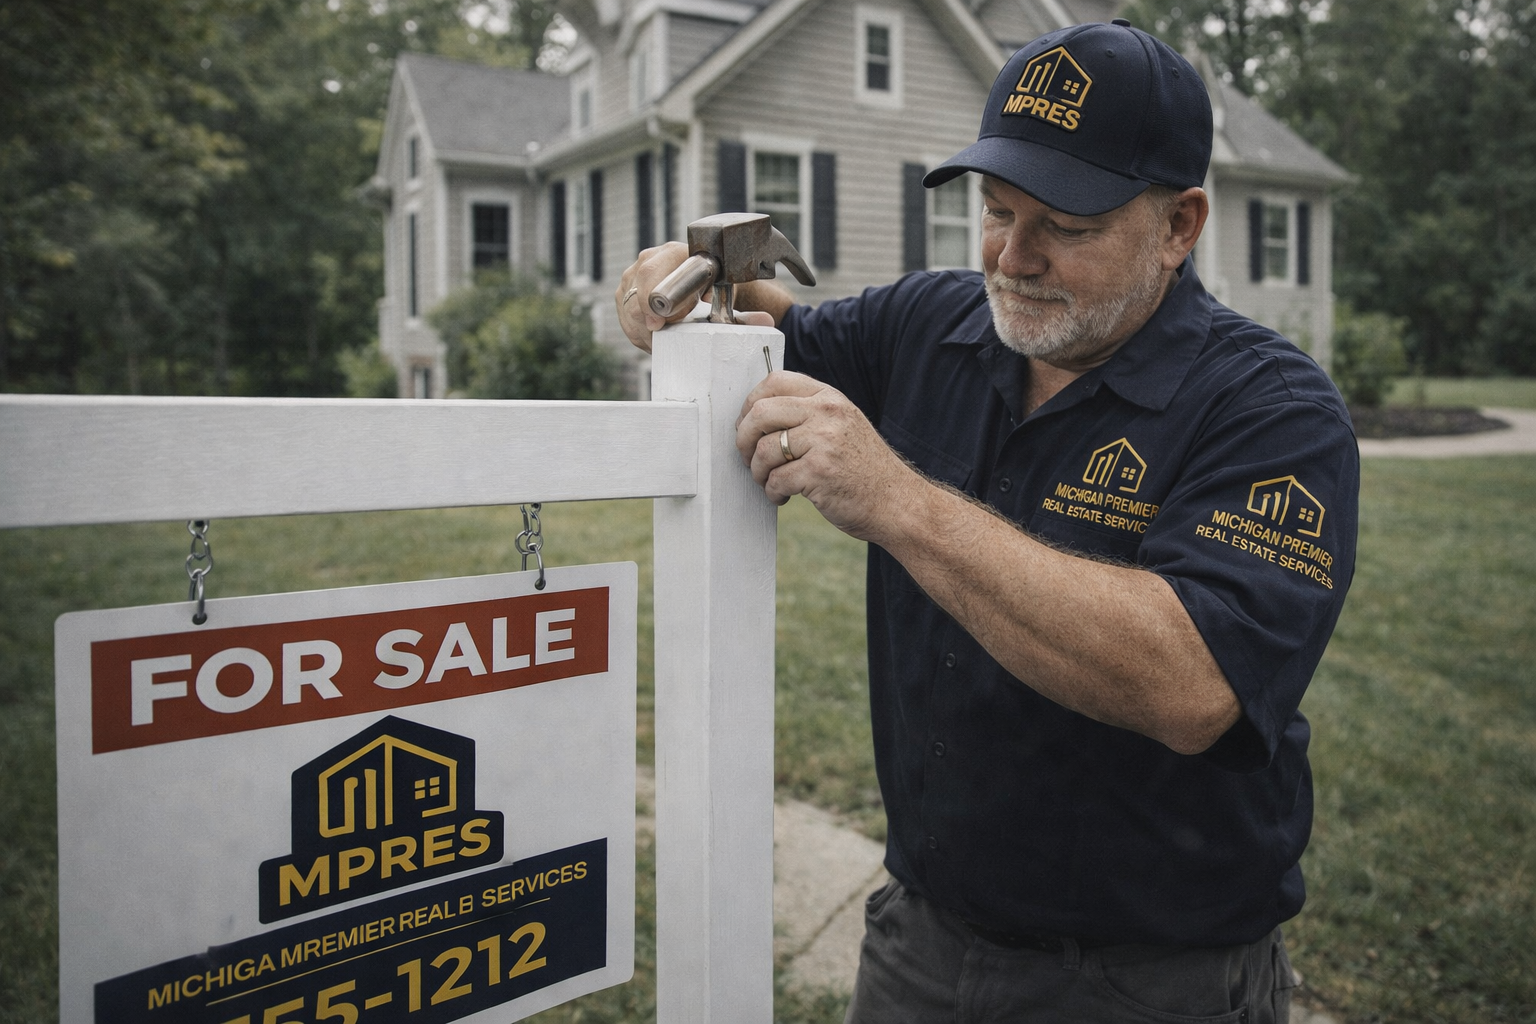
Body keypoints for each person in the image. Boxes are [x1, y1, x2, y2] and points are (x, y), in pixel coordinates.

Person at [618, 19, 1357, 1023]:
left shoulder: (1270, 408)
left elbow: (1194, 683)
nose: (1013, 257)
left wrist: (898, 500)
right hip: (921, 937)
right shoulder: (936, 325)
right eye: (997, 210)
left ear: (1180, 225)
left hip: (1151, 975)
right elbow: (769, 326)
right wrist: (682, 281)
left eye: (1068, 226)